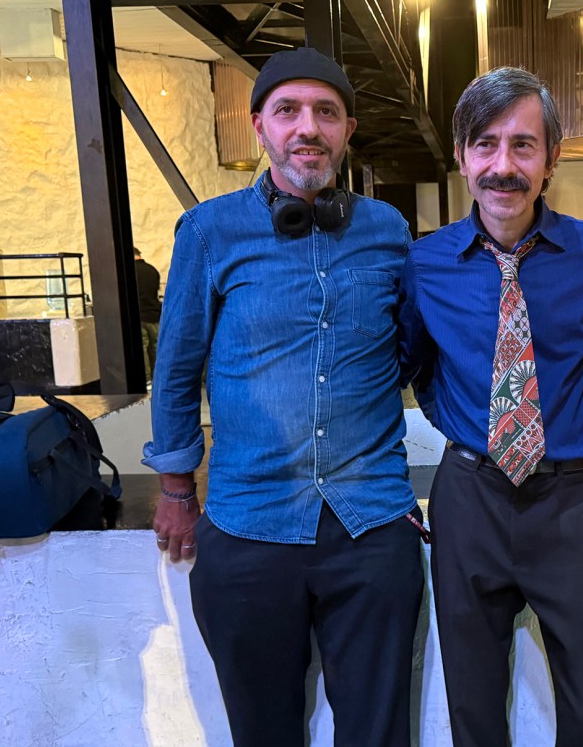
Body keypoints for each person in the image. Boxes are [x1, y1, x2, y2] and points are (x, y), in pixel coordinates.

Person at [141, 47, 425, 747]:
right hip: (248, 527)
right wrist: (176, 484)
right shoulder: (209, 231)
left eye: (326, 112)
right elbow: (176, 368)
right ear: (259, 125)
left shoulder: (388, 230)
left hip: (370, 526)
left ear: (347, 130)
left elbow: (411, 353)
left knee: (380, 734)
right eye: (288, 110)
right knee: (262, 733)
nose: (308, 127)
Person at [399, 67, 583, 747]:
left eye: (523, 145)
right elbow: (410, 367)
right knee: (471, 702)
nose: (504, 165)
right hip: (471, 499)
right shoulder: (426, 263)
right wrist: (464, 425)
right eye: (486, 144)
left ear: (552, 158)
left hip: (575, 506)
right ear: (462, 157)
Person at [133, 246, 161, 384]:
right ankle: (159, 378)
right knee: (156, 347)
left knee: (142, 348)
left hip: (139, 315)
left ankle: (147, 379)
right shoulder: (152, 270)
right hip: (155, 315)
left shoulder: (131, 271)